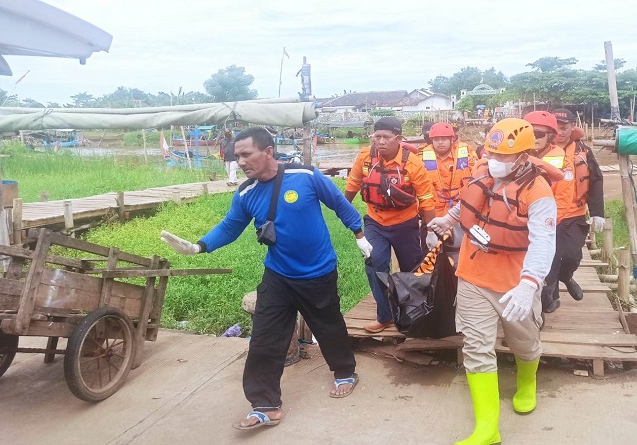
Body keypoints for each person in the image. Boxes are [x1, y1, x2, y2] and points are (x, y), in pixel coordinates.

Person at [160, 127, 373, 430]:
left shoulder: (307, 176)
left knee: (328, 325)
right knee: (264, 337)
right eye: (238, 156)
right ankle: (265, 405)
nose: (241, 161)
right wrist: (199, 246)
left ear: (269, 151)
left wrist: (359, 235)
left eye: (246, 154)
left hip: (318, 272)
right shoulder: (246, 192)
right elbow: (230, 226)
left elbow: (339, 203)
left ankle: (344, 371)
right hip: (278, 275)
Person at [428, 118, 556, 444]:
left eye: (503, 156)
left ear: (525, 155)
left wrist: (529, 285)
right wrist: (446, 219)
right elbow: (467, 202)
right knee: (476, 348)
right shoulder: (485, 170)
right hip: (472, 276)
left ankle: (527, 382)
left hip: (515, 285)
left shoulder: (539, 191)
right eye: (492, 152)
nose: (495, 160)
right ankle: (487, 429)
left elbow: (544, 241)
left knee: (524, 344)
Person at [344, 117, 436, 333]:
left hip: (406, 224)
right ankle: (384, 316)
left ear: (399, 138)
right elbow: (353, 184)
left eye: (386, 137)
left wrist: (431, 230)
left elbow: (426, 197)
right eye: (377, 137)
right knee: (375, 264)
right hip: (375, 221)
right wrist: (342, 208)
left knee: (412, 271)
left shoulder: (413, 163)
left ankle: (414, 314)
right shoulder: (366, 157)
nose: (381, 141)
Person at [540, 108, 605, 312]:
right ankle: (550, 298)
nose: (560, 132)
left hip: (575, 214)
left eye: (565, 127)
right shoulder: (541, 150)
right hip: (549, 216)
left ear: (572, 127)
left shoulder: (582, 151)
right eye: (556, 127)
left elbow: (595, 180)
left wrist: (597, 212)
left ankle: (566, 276)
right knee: (550, 258)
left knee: (571, 255)